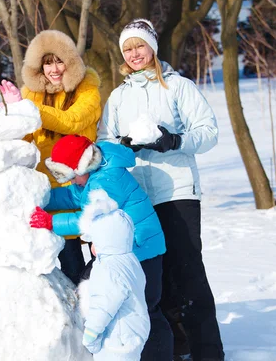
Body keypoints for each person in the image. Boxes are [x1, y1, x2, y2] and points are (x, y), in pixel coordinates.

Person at [97, 19, 225, 361]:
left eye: (139, 45)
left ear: (152, 47)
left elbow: (208, 131)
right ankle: (176, 348)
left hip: (177, 190)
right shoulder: (118, 96)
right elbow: (103, 141)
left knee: (188, 271)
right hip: (136, 197)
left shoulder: (177, 86)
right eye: (128, 49)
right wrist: (123, 146)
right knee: (156, 275)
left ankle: (208, 352)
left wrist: (174, 140)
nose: (135, 53)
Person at [0, 30, 102, 285]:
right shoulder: (31, 95)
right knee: (70, 266)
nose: (54, 69)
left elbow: (72, 122)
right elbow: (22, 141)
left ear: (70, 61)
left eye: (59, 61)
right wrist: (2, 118)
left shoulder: (88, 90)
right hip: (52, 191)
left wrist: (27, 109)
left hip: (85, 186)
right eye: (47, 62)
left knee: (101, 260)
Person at [29, 134, 173, 360]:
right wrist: (43, 199)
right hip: (122, 251)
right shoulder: (98, 171)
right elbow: (75, 196)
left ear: (85, 165)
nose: (73, 181)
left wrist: (50, 222)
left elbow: (87, 218)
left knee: (147, 309)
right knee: (118, 303)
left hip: (142, 250)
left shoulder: (107, 181)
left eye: (74, 175)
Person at [78, 190, 150, 361]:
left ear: (105, 240)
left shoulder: (108, 269)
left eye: (94, 241)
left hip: (118, 337)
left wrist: (91, 334)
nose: (92, 246)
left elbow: (104, 304)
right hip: (133, 331)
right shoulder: (129, 259)